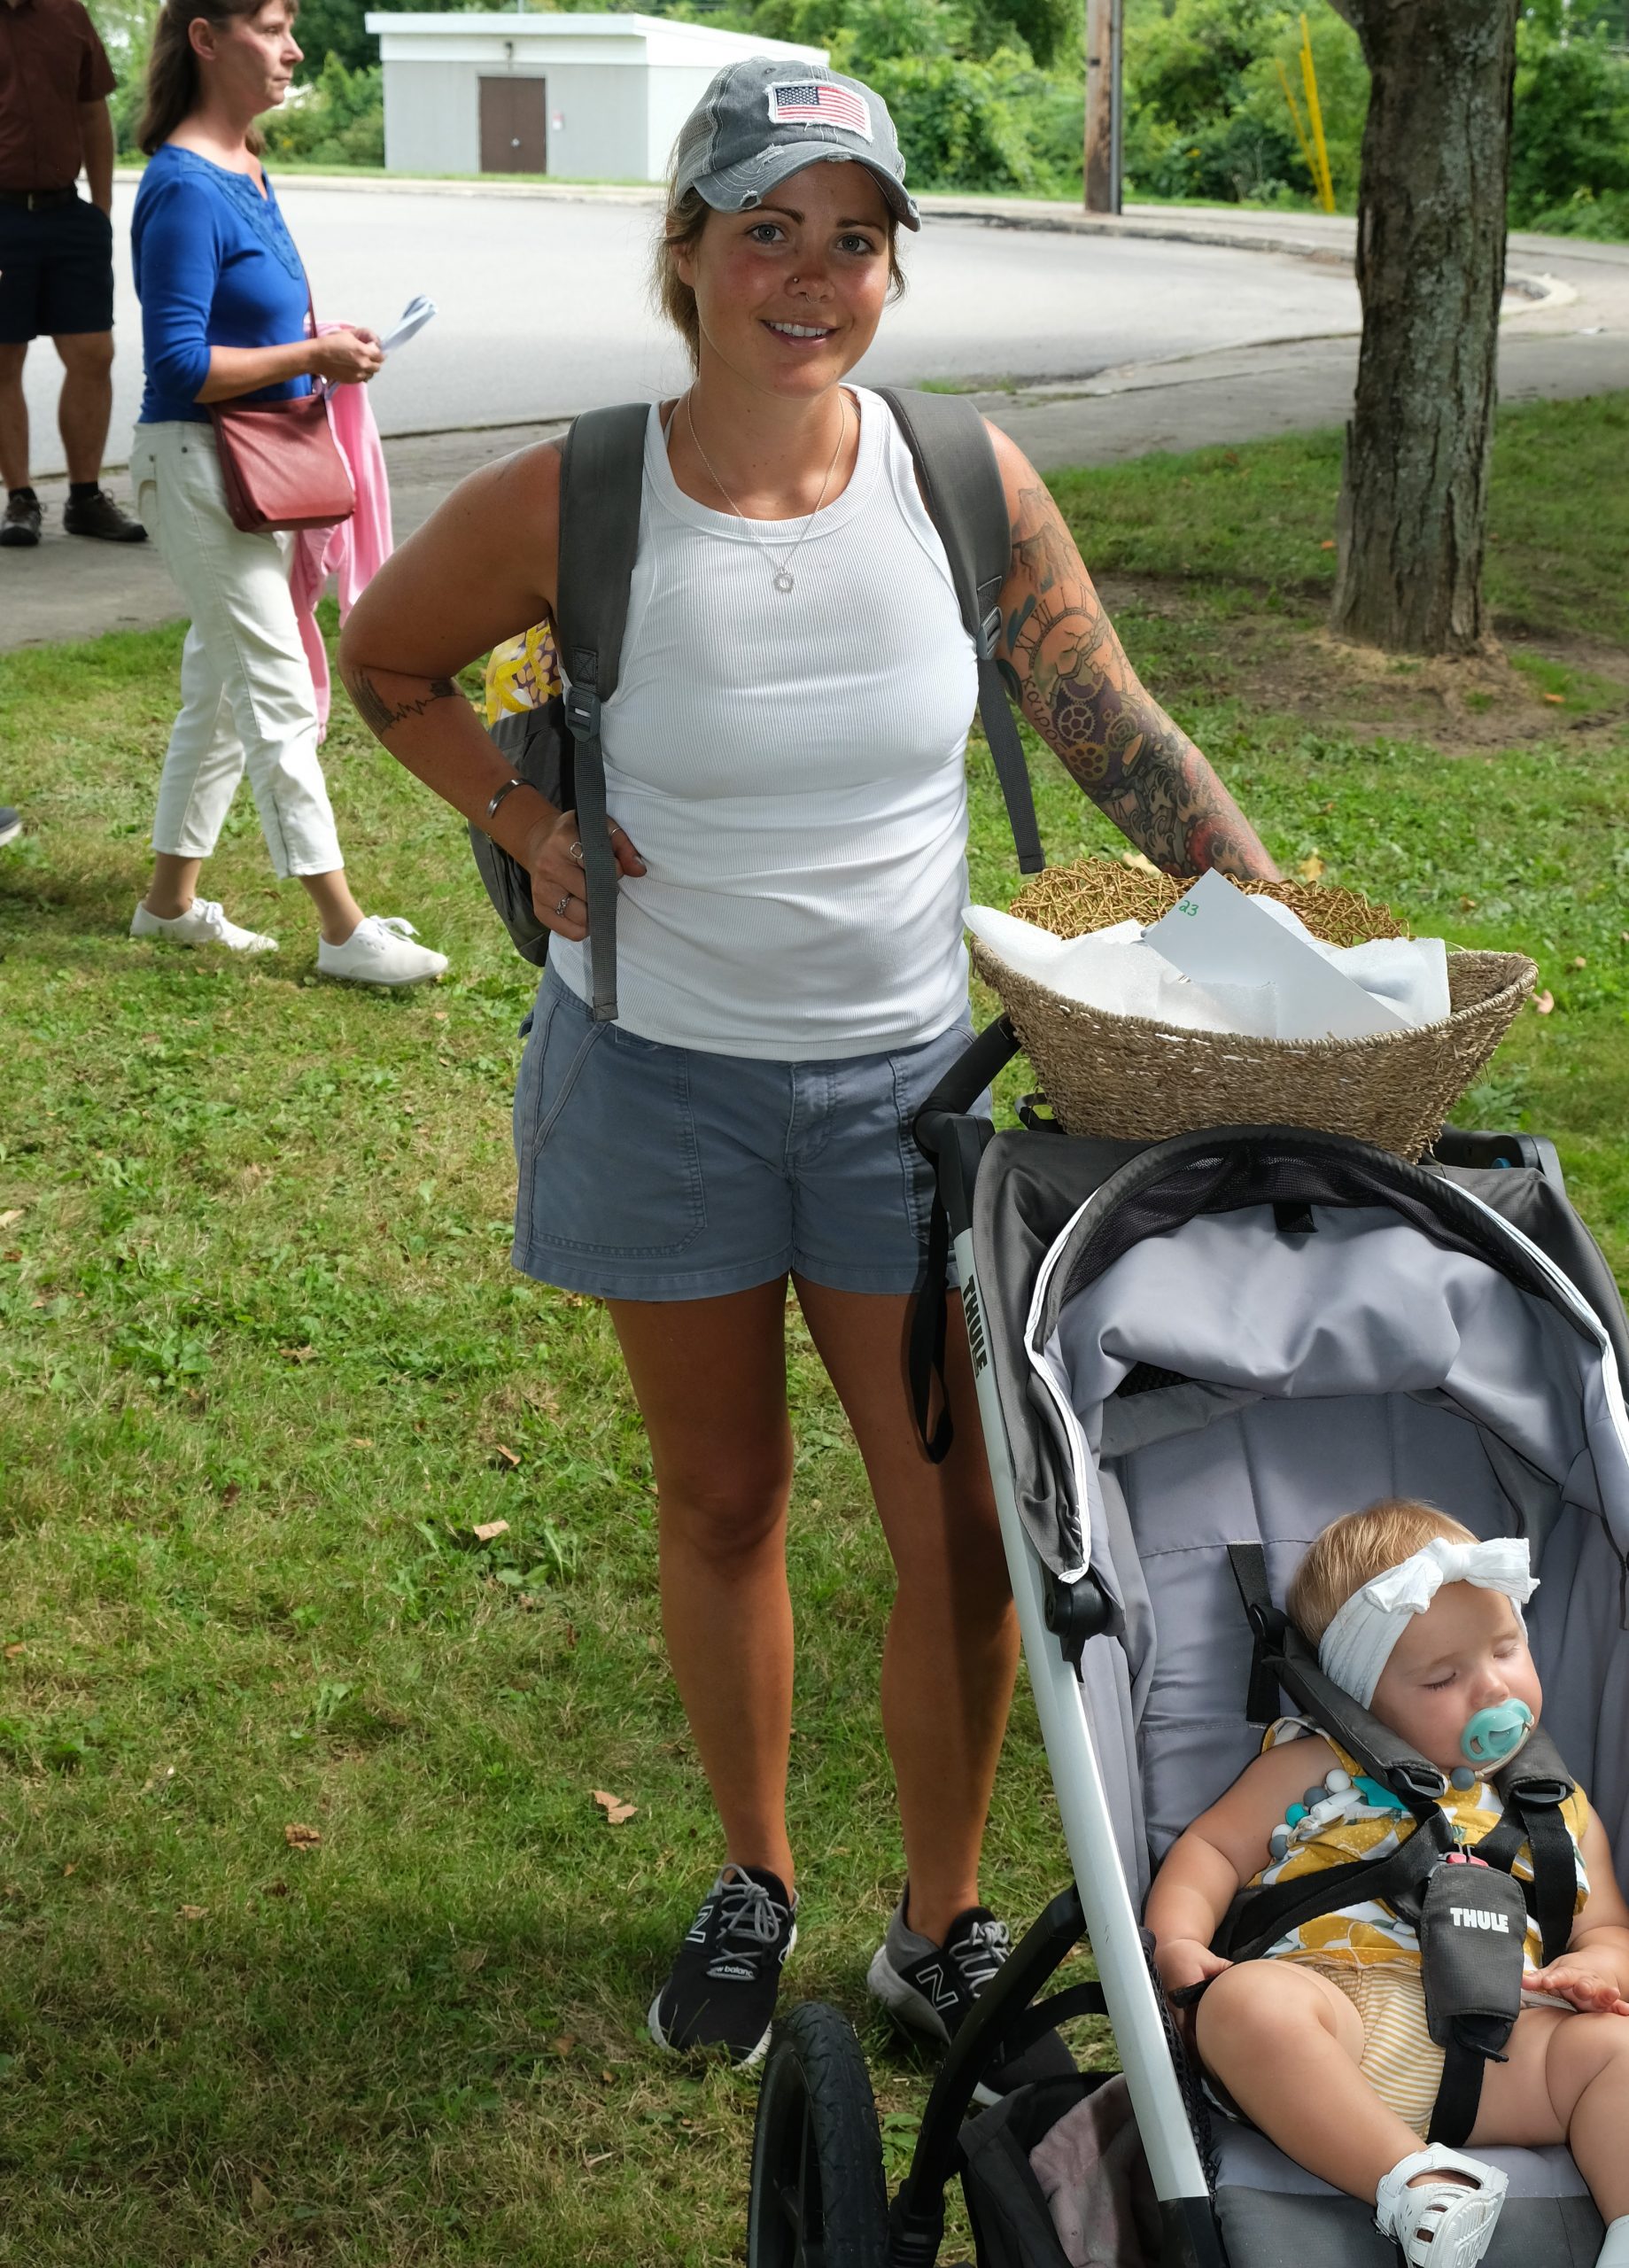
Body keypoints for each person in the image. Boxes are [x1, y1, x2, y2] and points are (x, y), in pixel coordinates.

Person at [337, 56, 1279, 2078]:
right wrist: (520, 817)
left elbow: (1110, 725)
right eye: (765, 228)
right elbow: (385, 660)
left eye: (852, 238)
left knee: (956, 1525)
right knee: (721, 1498)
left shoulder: (957, 480)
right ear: (684, 251)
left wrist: (1278, 926)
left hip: (901, 1099)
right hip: (655, 1078)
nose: (810, 274)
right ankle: (753, 1876)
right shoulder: (581, 493)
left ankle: (935, 1923)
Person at [1148, 1501, 1629, 2268]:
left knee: (1618, 2053)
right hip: (1337, 2024)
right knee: (1243, 2005)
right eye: (1442, 1678)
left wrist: (1595, 1968)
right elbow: (1211, 1848)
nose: (1491, 1689)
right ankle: (1418, 2188)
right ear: (1360, 1697)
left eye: (1506, 1649)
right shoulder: (1313, 1765)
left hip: (1504, 2045)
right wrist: (1177, 1938)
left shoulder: (1557, 1806)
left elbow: (1605, 1927)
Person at [124, 0, 446, 984]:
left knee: (221, 694)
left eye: (293, 26)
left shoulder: (248, 166)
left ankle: (168, 906)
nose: (295, 49)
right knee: (272, 690)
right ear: (205, 39)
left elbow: (247, 328)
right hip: (198, 465)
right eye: (270, 26)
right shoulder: (184, 186)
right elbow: (179, 363)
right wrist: (310, 356)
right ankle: (343, 930)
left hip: (246, 463)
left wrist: (322, 345)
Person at [0, 0, 147, 546]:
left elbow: (92, 112)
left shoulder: (68, 14)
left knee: (93, 354)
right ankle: (20, 498)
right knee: (2, 359)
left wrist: (101, 211)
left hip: (68, 214)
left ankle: (85, 498)